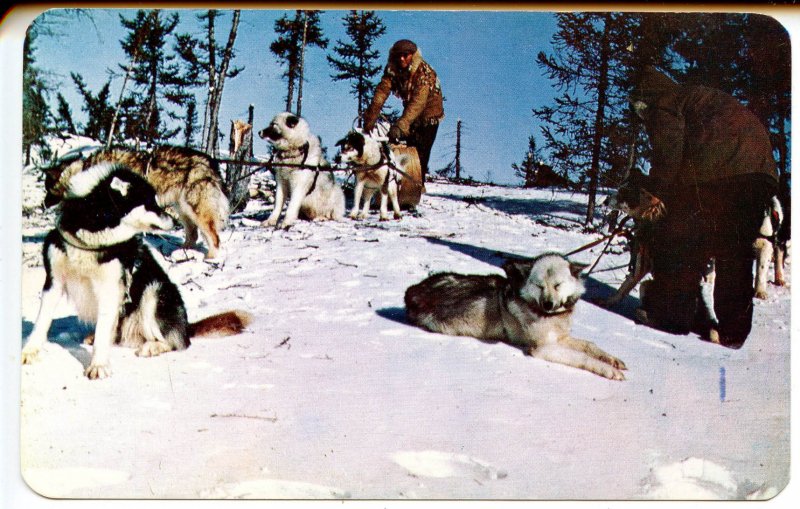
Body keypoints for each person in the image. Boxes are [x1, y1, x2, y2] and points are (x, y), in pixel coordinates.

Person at [631, 66, 778, 348]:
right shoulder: (695, 97)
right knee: (734, 251)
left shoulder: (664, 102)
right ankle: (733, 333)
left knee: (681, 240)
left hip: (718, 171)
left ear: (643, 101)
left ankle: (673, 317)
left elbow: (669, 154)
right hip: (759, 171)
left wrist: (656, 192)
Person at [362, 39, 444, 182]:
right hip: (411, 108)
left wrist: (401, 125)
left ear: (412, 55)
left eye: (405, 55)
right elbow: (382, 91)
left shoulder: (424, 73)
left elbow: (418, 102)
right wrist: (371, 116)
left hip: (429, 113)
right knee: (405, 149)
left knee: (420, 154)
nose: (401, 58)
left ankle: (416, 188)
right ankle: (399, 185)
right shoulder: (392, 69)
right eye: (398, 55)